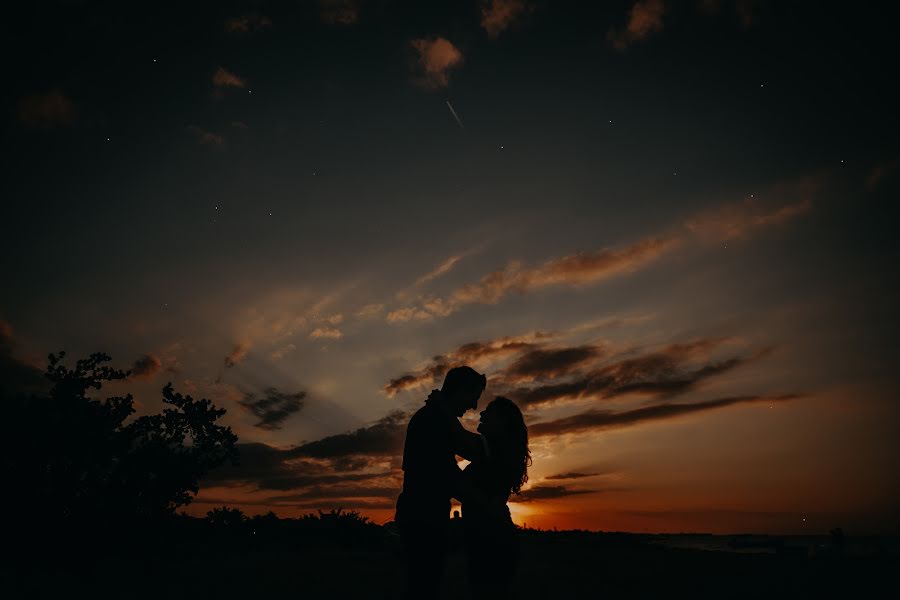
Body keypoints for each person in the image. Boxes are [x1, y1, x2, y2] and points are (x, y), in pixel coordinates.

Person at [395, 366, 488, 599]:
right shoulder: (434, 418)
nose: (474, 406)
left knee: (422, 583)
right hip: (423, 513)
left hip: (420, 511)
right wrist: (481, 500)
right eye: (473, 397)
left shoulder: (434, 415)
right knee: (424, 586)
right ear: (459, 390)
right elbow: (452, 463)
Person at [461, 396, 530, 600]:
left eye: (488, 412)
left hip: (492, 540)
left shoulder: (494, 452)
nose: (481, 414)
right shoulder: (493, 451)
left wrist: (442, 410)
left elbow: (455, 437)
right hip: (486, 537)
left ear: (502, 423)